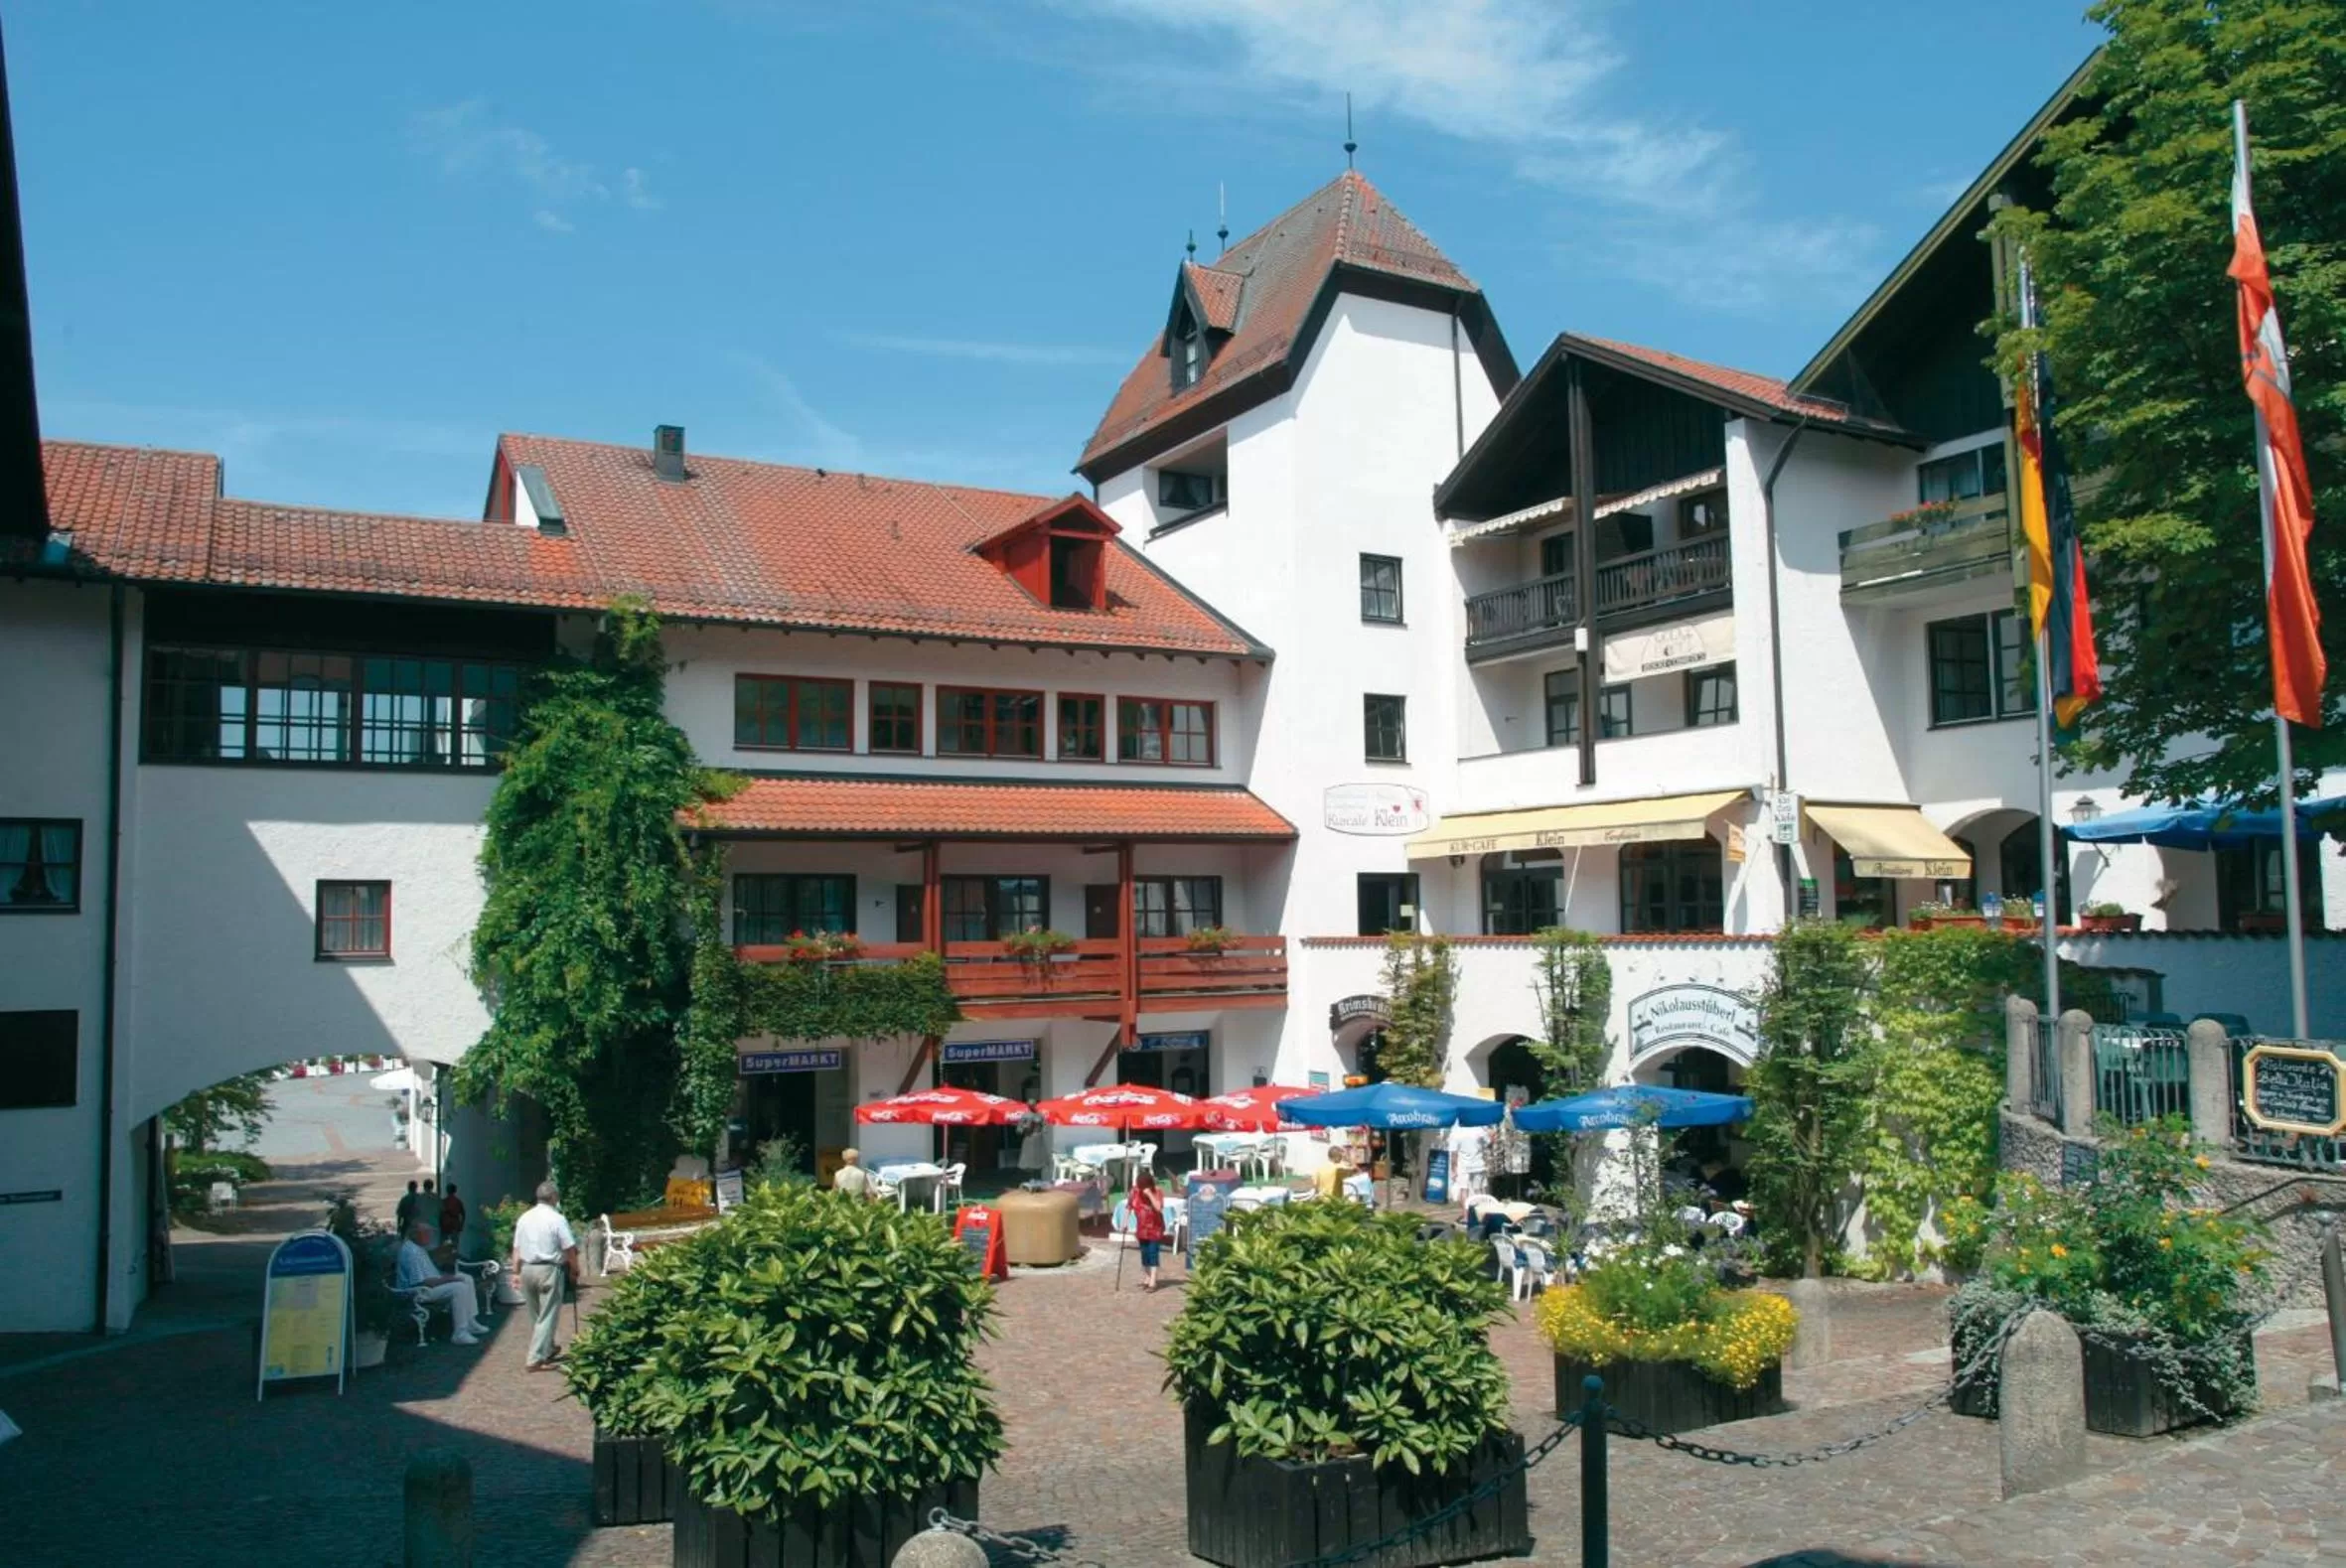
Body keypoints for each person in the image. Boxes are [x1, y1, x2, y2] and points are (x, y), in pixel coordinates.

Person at [510, 1180, 579, 1372]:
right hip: (548, 1269)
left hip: (527, 1268)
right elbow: (569, 1247)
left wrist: (515, 1272)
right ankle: (535, 1358)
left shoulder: (524, 1218)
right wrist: (574, 1269)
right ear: (554, 1197)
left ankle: (547, 1348)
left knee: (536, 1315)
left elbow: (516, 1247)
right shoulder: (556, 1218)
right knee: (548, 1315)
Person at [396, 1221, 484, 1346]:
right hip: (418, 1292)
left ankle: (470, 1321)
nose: (430, 1236)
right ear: (416, 1235)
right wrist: (448, 1279)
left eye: (430, 1233)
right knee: (459, 1288)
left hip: (429, 1285)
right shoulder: (412, 1252)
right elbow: (424, 1282)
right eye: (427, 1233)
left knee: (466, 1278)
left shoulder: (417, 1247)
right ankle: (460, 1333)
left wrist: (446, 1277)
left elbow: (431, 1275)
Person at [1130, 1168, 1167, 1291]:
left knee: (1153, 1254)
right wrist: (1125, 1222)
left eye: (1142, 1185)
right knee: (1144, 1254)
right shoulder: (1135, 1192)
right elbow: (1130, 1205)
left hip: (1154, 1229)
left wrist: (1150, 1194)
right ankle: (1147, 1277)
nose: (1140, 1188)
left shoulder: (1157, 1191)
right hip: (1141, 1229)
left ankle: (1153, 1281)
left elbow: (1158, 1208)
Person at [439, 1182, 467, 1254]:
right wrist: (461, 1225)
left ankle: (446, 1259)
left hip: (445, 1225)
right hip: (455, 1225)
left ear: (447, 1191)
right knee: (455, 1245)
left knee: (444, 1244)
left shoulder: (443, 1202)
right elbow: (463, 1214)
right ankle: (454, 1259)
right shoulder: (458, 1202)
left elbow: (440, 1214)